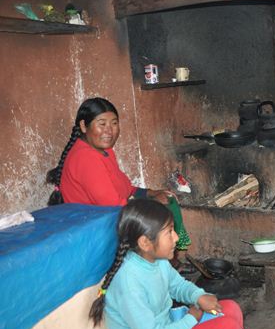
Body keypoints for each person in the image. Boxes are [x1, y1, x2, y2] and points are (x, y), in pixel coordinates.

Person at [89, 199, 244, 329]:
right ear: (145, 242)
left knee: (230, 309)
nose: (176, 237)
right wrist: (191, 318)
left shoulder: (156, 259)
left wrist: (198, 296)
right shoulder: (128, 282)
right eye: (169, 232)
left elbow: (177, 285)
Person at [45, 97, 191, 261]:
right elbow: (113, 206)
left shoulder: (103, 151)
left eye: (114, 123)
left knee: (168, 200)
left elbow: (125, 188)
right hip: (96, 228)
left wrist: (150, 193)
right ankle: (167, 264)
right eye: (102, 124)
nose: (110, 130)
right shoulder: (85, 158)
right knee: (159, 218)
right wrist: (151, 205)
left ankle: (170, 262)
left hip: (110, 217)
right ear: (84, 126)